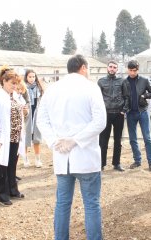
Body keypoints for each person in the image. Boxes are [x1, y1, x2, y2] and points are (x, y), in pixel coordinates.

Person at [37, 54, 106, 240]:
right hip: (85, 156)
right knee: (91, 203)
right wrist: (75, 140)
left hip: (62, 156)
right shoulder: (91, 88)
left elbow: (41, 120)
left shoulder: (52, 89)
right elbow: (100, 122)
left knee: (62, 203)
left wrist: (54, 141)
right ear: (83, 67)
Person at [0, 67, 26, 206]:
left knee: (12, 164)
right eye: (12, 83)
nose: (15, 86)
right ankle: (2, 194)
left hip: (15, 136)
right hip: (2, 137)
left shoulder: (15, 95)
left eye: (16, 83)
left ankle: (12, 189)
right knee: (1, 166)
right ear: (4, 81)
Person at [124, 60, 151, 171]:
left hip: (142, 112)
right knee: (132, 139)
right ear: (127, 69)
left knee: (147, 138)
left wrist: (145, 96)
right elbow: (123, 97)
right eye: (130, 70)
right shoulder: (124, 82)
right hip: (130, 114)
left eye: (135, 70)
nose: (132, 73)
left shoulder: (144, 80)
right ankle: (137, 161)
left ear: (138, 70)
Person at [97, 60, 128, 171]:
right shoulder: (101, 82)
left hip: (119, 114)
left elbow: (127, 97)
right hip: (106, 114)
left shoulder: (122, 81)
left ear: (117, 69)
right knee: (103, 140)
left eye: (114, 67)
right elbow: (97, 99)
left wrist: (124, 110)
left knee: (118, 140)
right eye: (110, 67)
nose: (112, 69)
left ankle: (116, 163)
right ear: (107, 68)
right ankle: (101, 163)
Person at [23, 69, 44, 168]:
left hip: (37, 114)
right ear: (26, 77)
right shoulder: (23, 88)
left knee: (37, 138)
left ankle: (37, 159)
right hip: (27, 115)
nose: (32, 78)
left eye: (33, 76)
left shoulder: (39, 88)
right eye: (30, 77)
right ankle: (25, 158)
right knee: (26, 138)